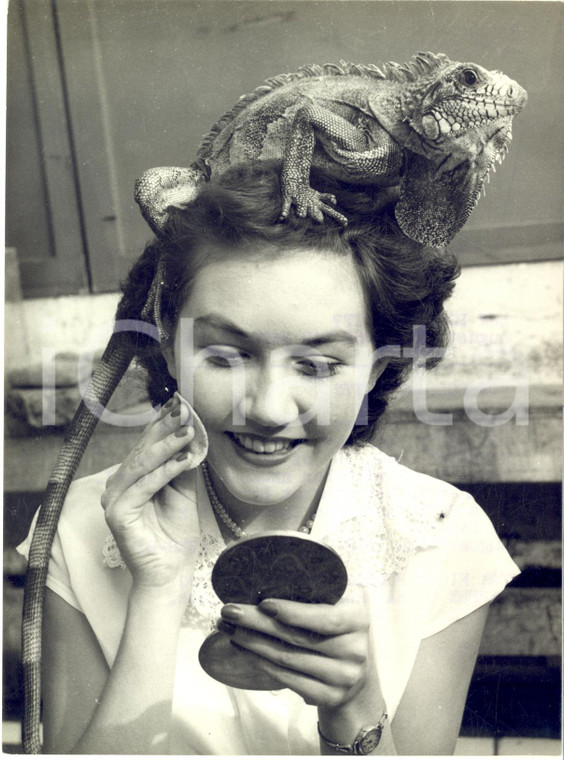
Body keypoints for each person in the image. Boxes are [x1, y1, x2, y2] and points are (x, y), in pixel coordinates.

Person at [19, 163, 519, 755]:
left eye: (318, 364)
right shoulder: (78, 526)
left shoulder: (442, 535)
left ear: (375, 370)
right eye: (227, 355)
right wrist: (158, 591)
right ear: (170, 347)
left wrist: (353, 708)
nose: (268, 408)